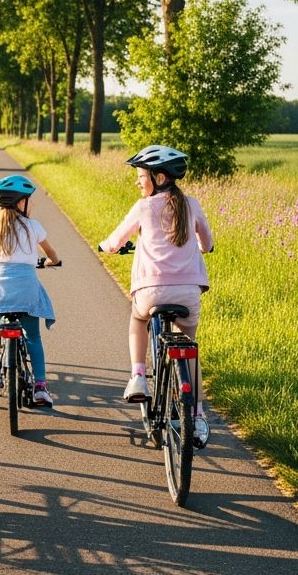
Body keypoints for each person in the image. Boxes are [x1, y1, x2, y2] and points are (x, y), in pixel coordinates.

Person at [98, 144, 214, 446]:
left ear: (159, 177)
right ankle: (198, 417)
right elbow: (207, 242)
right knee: (189, 348)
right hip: (189, 293)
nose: (138, 181)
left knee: (138, 320)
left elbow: (115, 240)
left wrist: (106, 246)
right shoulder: (192, 204)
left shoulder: (143, 208)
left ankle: (138, 375)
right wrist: (203, 248)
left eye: (141, 176)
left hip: (150, 292)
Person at [0, 175, 62, 407]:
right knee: (33, 337)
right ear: (21, 203)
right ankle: (40, 387)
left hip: (1, 285)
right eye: (30, 200)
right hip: (27, 289)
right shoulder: (34, 226)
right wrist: (50, 262)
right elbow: (53, 255)